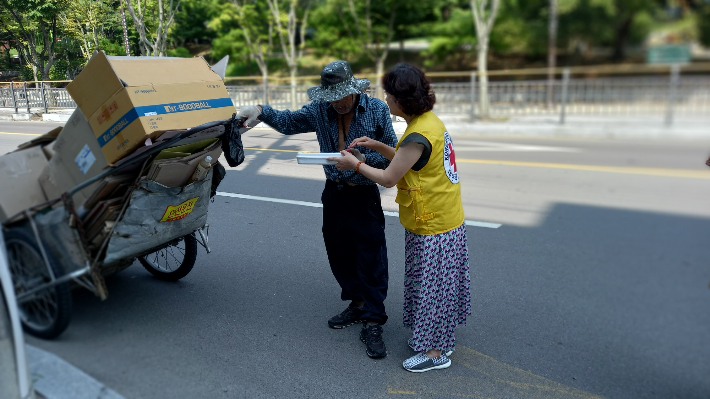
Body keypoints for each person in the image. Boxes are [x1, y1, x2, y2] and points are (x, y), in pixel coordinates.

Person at [236, 60, 398, 359]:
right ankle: (358, 304)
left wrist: (363, 161)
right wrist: (259, 110)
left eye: (342, 96)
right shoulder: (319, 110)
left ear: (354, 91)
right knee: (339, 252)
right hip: (334, 194)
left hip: (363, 193)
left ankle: (374, 319)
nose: (337, 103)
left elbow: (391, 155)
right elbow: (288, 122)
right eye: (331, 97)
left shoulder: (375, 109)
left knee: (371, 256)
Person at [329, 63, 471, 373]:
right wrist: (379, 145)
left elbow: (390, 178)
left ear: (401, 99)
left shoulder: (417, 134)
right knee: (436, 286)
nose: (386, 98)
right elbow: (411, 161)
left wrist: (354, 165)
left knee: (433, 290)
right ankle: (437, 340)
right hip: (442, 219)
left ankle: (436, 354)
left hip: (434, 225)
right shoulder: (426, 122)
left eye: (389, 94)